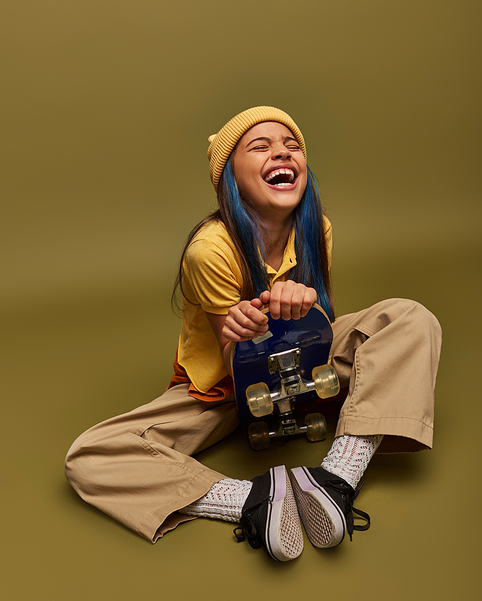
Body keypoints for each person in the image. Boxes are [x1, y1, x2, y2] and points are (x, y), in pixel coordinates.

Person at [65, 106, 442, 562]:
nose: (281, 152)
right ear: (230, 176)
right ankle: (254, 499)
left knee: (410, 318)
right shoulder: (209, 250)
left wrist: (306, 309)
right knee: (89, 456)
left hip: (306, 368)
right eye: (260, 147)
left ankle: (337, 478)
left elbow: (320, 329)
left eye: (292, 145)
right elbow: (236, 368)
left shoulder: (316, 229)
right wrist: (243, 331)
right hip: (228, 388)